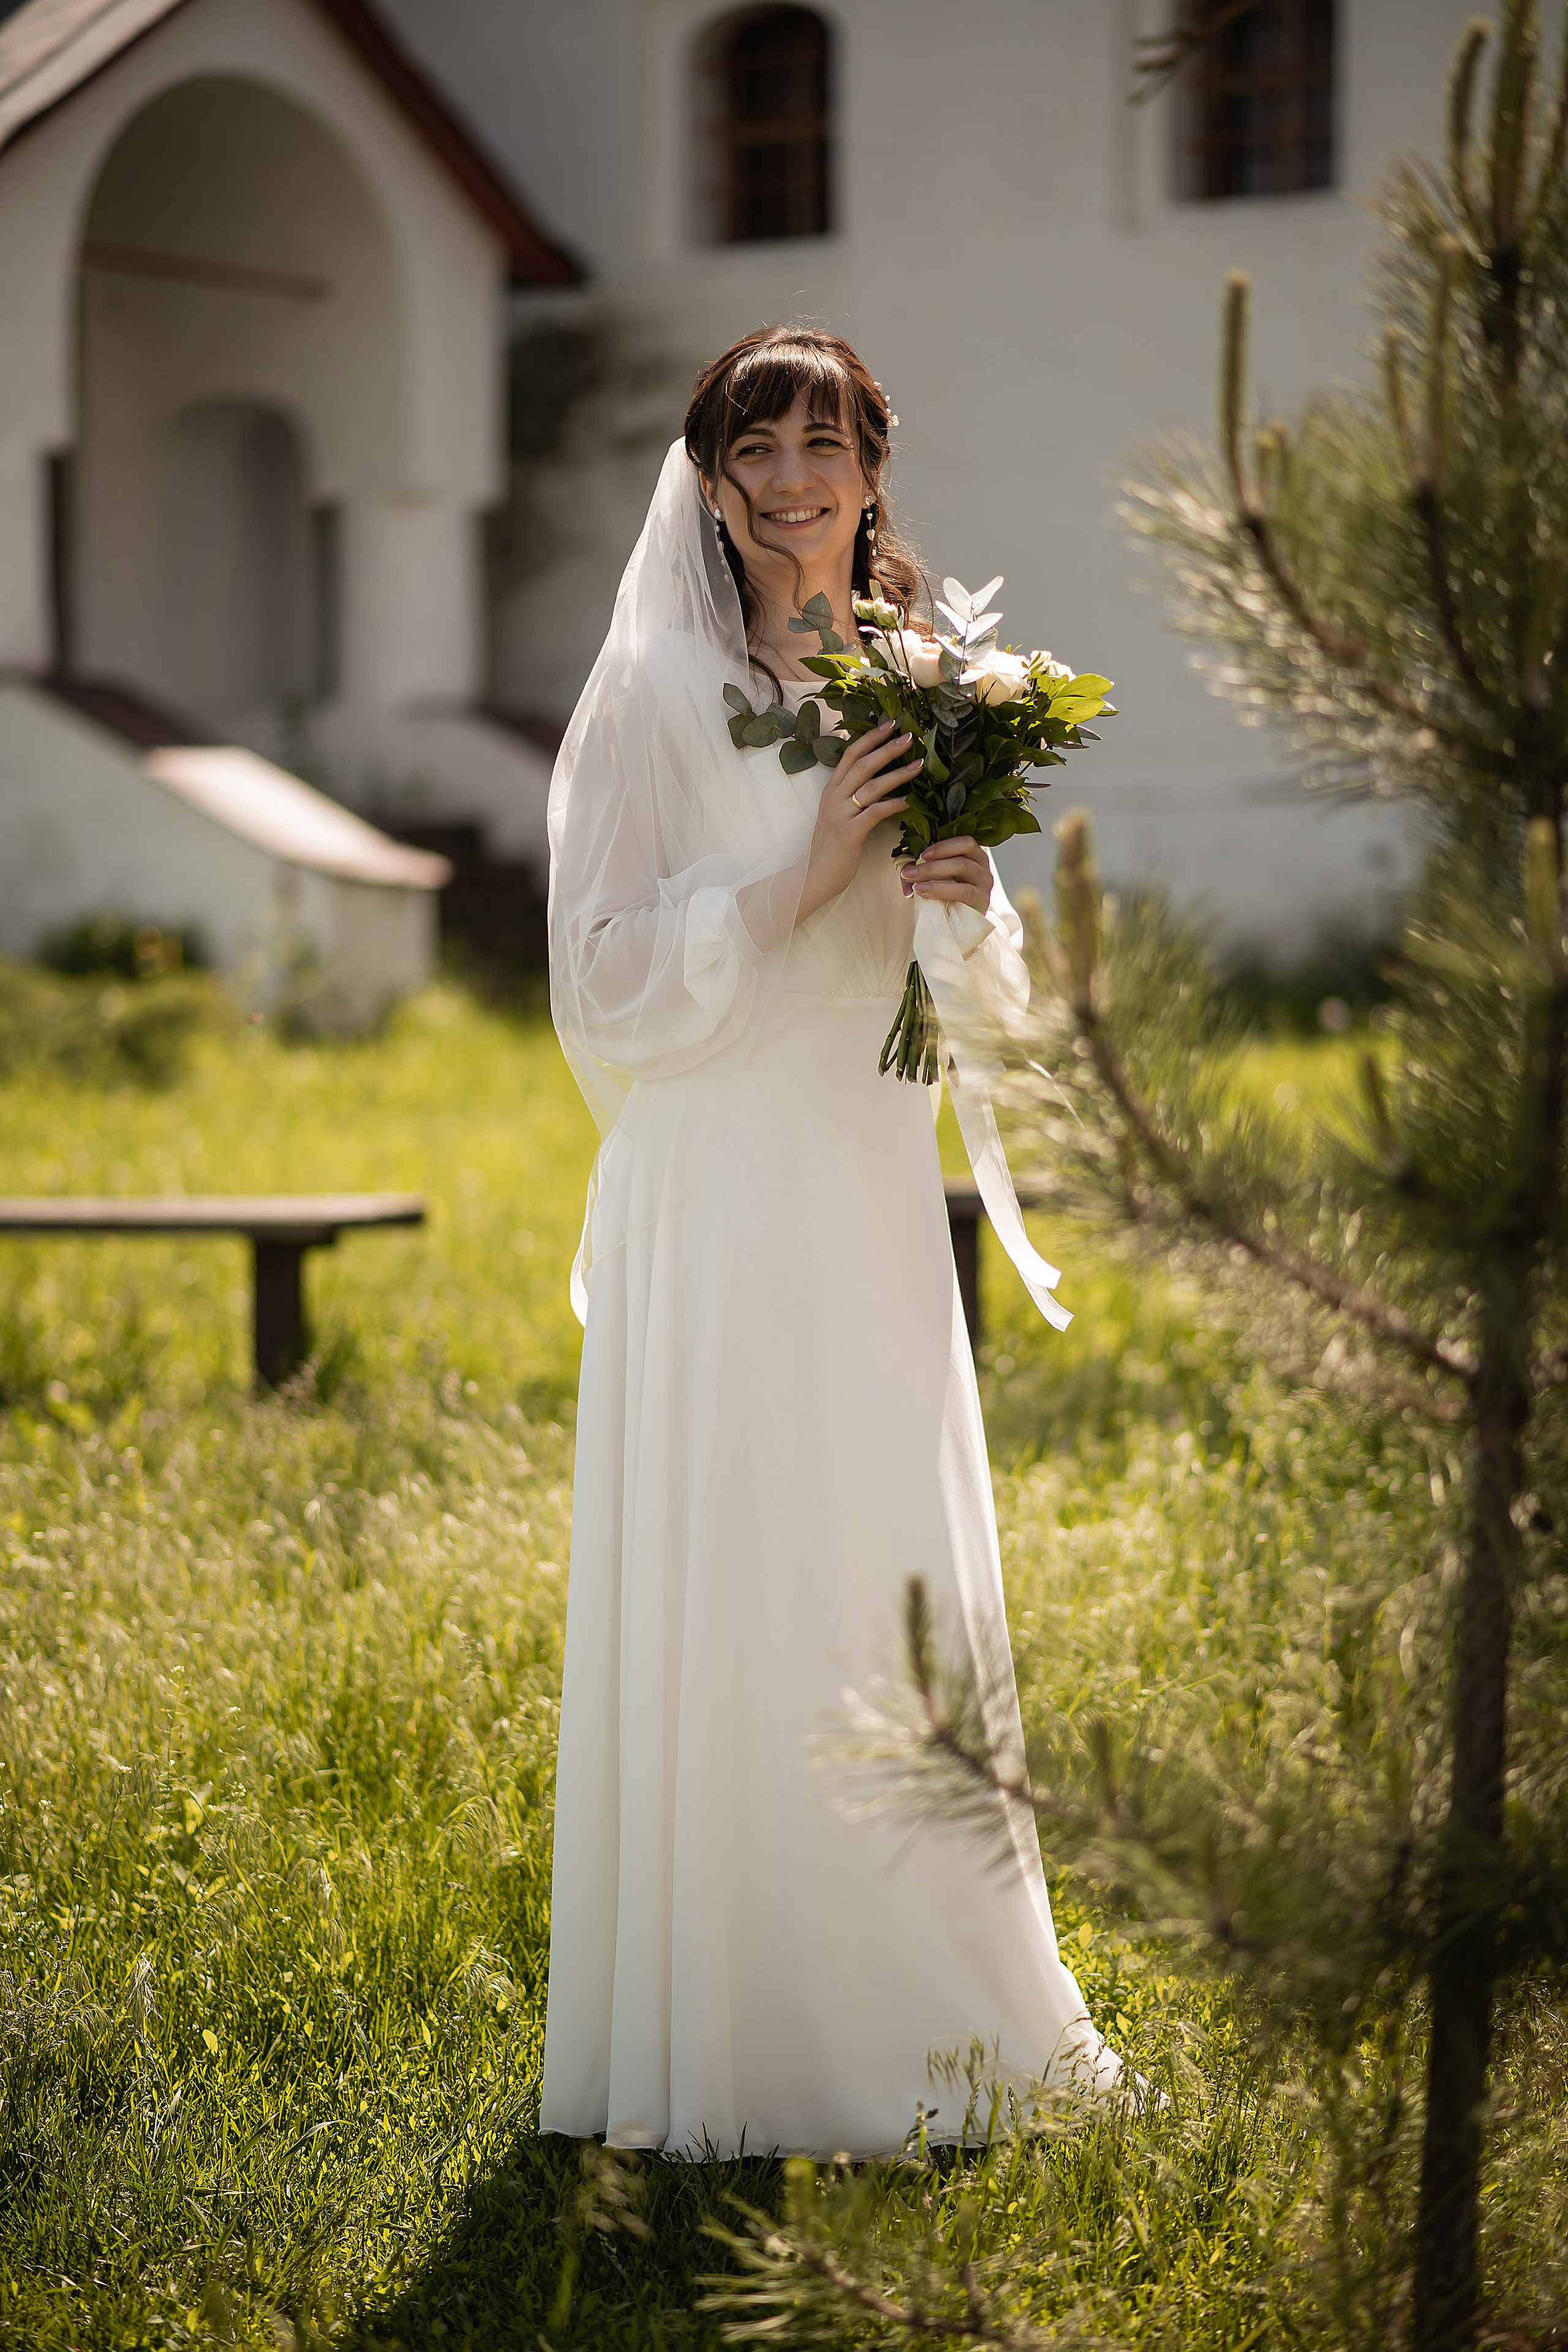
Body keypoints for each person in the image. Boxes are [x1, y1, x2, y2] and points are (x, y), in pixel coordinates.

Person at [541, 325, 1118, 2159]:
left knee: (886, 1570)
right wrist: (792, 886)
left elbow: (989, 1000)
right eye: (757, 446)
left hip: (869, 1183)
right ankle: (738, 2032)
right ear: (711, 481)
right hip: (717, 1185)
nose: (792, 476)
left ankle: (938, 2012)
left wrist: (963, 898)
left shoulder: (936, 677)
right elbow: (599, 976)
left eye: (826, 442)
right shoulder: (649, 684)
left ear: (874, 466)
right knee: (744, 1567)